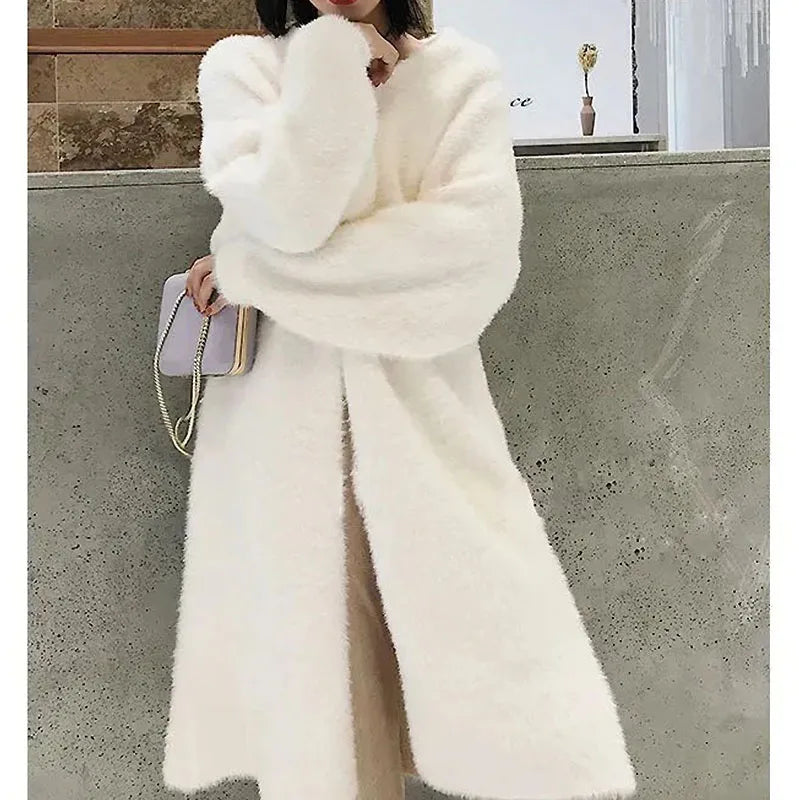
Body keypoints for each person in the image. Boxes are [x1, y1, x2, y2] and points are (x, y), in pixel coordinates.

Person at [163, 2, 637, 799]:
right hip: (285, 430)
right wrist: (331, 64)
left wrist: (252, 270)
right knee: (327, 713)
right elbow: (290, 214)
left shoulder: (460, 77)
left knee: (474, 684)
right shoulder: (245, 71)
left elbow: (467, 265)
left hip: (424, 422)